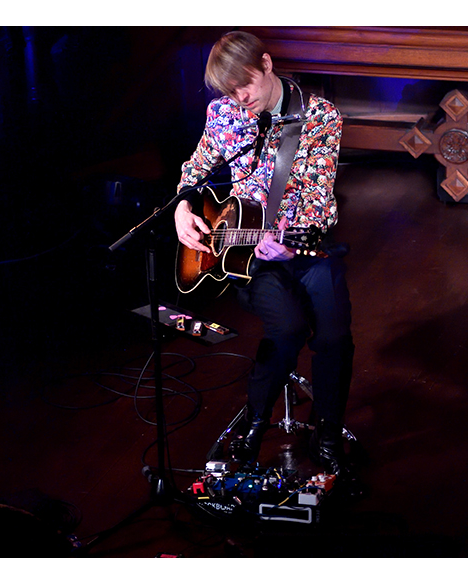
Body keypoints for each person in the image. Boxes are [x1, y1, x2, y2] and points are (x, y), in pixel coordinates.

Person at [174, 31, 354, 475]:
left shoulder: (319, 117)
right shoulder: (223, 114)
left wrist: (292, 236)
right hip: (245, 252)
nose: (240, 97)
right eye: (230, 90)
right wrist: (182, 207)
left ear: (267, 64)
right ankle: (256, 422)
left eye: (245, 85)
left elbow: (317, 194)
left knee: (333, 337)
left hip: (303, 244)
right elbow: (195, 169)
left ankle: (327, 430)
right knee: (288, 329)